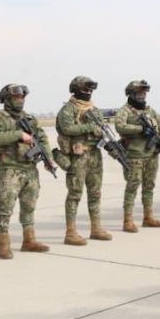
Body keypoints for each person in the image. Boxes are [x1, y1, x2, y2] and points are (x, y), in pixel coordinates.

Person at [0, 83, 54, 258]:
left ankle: (29, 240)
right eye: (16, 97)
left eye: (22, 97)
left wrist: (48, 159)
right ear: (7, 99)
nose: (20, 100)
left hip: (30, 168)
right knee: (6, 208)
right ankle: (4, 244)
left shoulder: (29, 119)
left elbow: (42, 138)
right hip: (10, 169)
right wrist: (19, 135)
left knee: (29, 206)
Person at [56, 76, 112, 244]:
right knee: (75, 194)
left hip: (95, 155)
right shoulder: (68, 109)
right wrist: (90, 127)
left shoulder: (94, 109)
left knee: (95, 193)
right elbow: (67, 128)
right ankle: (70, 233)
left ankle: (96, 228)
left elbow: (100, 128)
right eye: (85, 89)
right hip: (78, 156)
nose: (89, 92)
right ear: (76, 89)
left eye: (90, 89)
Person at [114, 80, 160, 232]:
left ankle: (148, 217)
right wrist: (140, 129)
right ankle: (128, 221)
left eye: (144, 92)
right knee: (132, 187)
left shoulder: (150, 111)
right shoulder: (125, 111)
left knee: (149, 186)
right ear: (131, 93)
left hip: (151, 154)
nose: (143, 95)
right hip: (134, 155)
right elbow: (120, 126)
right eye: (139, 92)